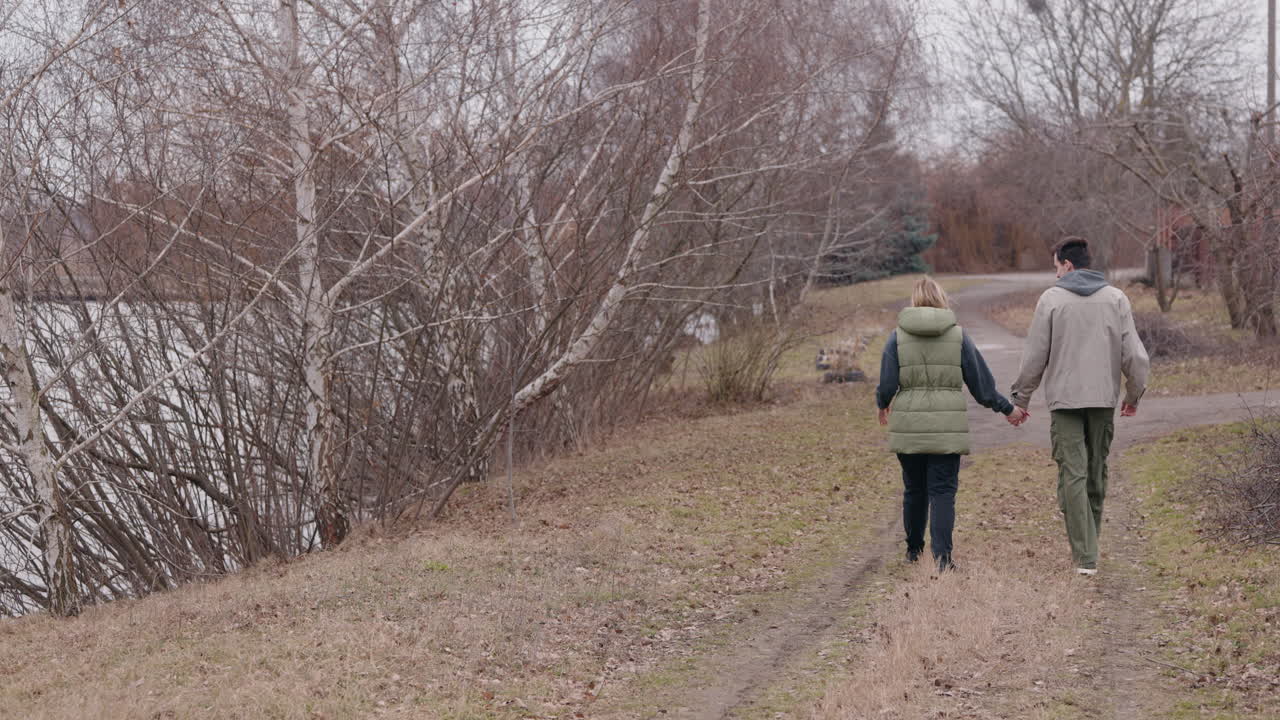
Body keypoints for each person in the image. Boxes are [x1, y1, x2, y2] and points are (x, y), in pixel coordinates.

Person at [1010, 238, 1150, 576]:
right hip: (1103, 400)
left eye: (1056, 267)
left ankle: (1085, 556)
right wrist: (1132, 396)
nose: (1056, 274)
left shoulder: (1051, 300)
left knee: (1073, 474)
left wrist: (1020, 399)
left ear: (1068, 265)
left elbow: (1034, 356)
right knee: (1096, 472)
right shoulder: (1116, 299)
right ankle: (1090, 547)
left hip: (1065, 402)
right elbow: (1135, 356)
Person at [877, 276, 1028, 573]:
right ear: (941, 299)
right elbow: (982, 386)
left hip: (909, 424)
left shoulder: (897, 337)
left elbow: (886, 383)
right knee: (942, 491)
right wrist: (1007, 408)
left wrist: (882, 404)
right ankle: (943, 560)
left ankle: (913, 551)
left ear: (914, 300)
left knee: (914, 489)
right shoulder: (958, 336)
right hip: (947, 427)